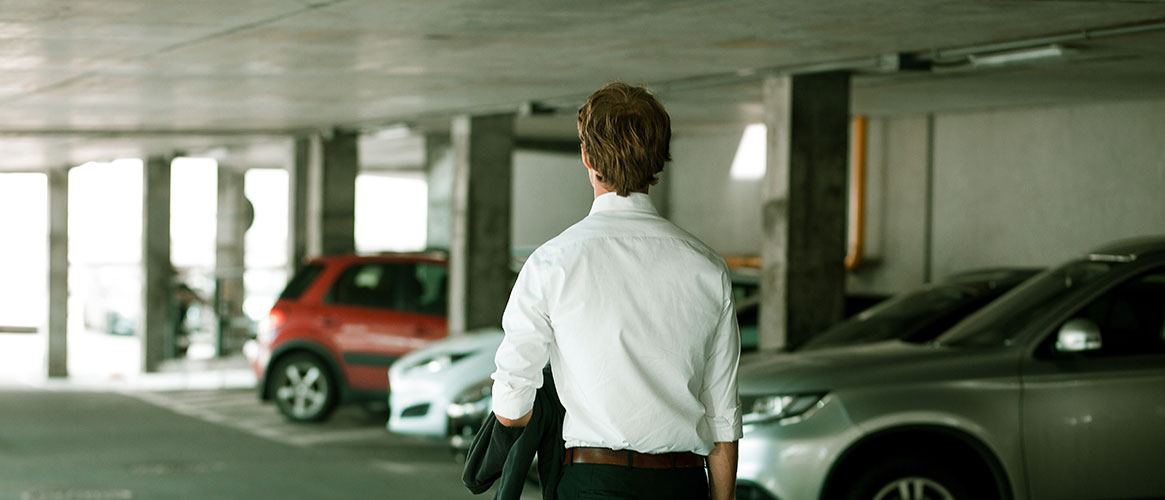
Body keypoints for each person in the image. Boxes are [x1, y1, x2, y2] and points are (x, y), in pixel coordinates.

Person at [490, 82, 742, 500]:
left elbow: (511, 407)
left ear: (587, 157)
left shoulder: (551, 264)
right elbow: (723, 416)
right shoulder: (707, 268)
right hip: (681, 484)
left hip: (592, 483)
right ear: (660, 159)